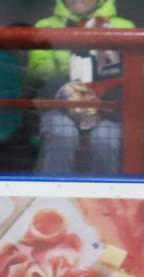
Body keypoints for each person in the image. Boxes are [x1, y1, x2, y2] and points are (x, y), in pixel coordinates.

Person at [27, 0, 133, 176]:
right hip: (59, 108)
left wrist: (101, 97)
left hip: (108, 110)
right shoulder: (45, 26)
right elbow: (36, 76)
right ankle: (52, 196)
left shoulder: (124, 26)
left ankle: (103, 199)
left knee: (106, 140)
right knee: (62, 133)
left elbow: (132, 77)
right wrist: (64, 90)